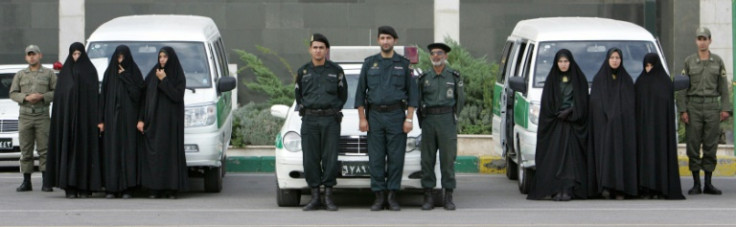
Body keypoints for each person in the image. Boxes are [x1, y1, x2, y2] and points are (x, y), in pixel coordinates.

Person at [355, 26, 418, 211]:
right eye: (382, 38)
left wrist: (409, 119)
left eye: (389, 38)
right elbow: (360, 93)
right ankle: (378, 196)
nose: (385, 41)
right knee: (375, 158)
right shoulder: (369, 64)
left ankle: (392, 195)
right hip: (374, 116)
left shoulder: (404, 64)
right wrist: (362, 118)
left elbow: (413, 94)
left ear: (395, 41)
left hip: (396, 116)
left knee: (396, 158)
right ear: (378, 40)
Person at [527, 49, 589, 201]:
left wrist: (571, 111)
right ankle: (555, 189)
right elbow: (548, 103)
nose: (563, 64)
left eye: (566, 61)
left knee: (570, 160)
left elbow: (583, 102)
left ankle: (568, 189)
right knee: (554, 157)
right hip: (555, 125)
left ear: (570, 62)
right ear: (556, 63)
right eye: (560, 62)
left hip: (573, 125)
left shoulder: (579, 78)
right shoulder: (552, 80)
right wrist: (557, 113)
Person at [676, 27, 732, 195]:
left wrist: (725, 108)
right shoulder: (689, 61)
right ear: (696, 41)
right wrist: (683, 110)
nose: (702, 41)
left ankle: (708, 182)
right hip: (693, 107)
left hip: (712, 107)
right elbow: (682, 88)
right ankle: (695, 184)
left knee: (710, 144)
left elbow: (723, 87)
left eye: (705, 38)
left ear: (710, 41)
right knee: (693, 144)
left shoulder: (717, 61)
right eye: (699, 38)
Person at [295, 34, 347, 211]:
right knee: (310, 158)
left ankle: (329, 197)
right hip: (309, 119)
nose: (318, 50)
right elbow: (298, 95)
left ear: (326, 50)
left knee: (330, 158)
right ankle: (315, 197)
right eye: (315, 47)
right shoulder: (302, 72)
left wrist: (332, 110)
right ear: (310, 49)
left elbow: (343, 95)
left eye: (321, 47)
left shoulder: (336, 70)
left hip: (330, 120)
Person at [46, 42, 103, 198]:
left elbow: (94, 98)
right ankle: (69, 187)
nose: (76, 57)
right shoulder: (65, 73)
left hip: (86, 122)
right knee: (69, 151)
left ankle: (86, 187)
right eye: (74, 54)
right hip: (68, 123)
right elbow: (61, 98)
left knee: (86, 152)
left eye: (79, 54)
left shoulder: (90, 71)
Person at [417, 42, 464, 210]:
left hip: (446, 120)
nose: (436, 56)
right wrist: (422, 121)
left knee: (447, 160)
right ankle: (428, 196)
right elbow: (418, 100)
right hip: (429, 120)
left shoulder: (453, 76)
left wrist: (453, 118)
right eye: (433, 53)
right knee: (427, 160)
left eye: (439, 53)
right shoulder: (424, 78)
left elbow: (460, 100)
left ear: (446, 56)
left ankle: (448, 196)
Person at [587, 48, 637, 200]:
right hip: (604, 127)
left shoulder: (627, 80)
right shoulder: (599, 79)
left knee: (622, 156)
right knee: (606, 156)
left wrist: (619, 116)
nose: (615, 60)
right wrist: (607, 117)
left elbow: (630, 103)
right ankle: (606, 186)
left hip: (622, 128)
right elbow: (595, 102)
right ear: (607, 59)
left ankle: (621, 188)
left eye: (618, 58)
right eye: (612, 57)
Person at [138, 46, 187, 199]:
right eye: (160, 57)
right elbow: (143, 97)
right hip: (154, 123)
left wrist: (164, 80)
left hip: (171, 123)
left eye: (165, 57)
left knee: (170, 154)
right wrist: (141, 119)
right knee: (155, 154)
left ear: (170, 58)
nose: (162, 60)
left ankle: (171, 189)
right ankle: (154, 188)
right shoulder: (153, 74)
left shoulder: (178, 75)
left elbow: (177, 96)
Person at [636, 53, 685, 200]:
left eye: (651, 66)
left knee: (660, 156)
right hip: (644, 130)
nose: (649, 69)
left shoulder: (665, 83)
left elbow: (667, 107)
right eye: (646, 66)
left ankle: (660, 188)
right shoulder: (640, 82)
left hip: (660, 131)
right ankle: (645, 188)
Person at [9, 45, 56, 192]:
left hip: (42, 114)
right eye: (29, 55)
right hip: (25, 115)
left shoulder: (49, 74)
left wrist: (42, 96)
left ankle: (46, 181)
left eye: (34, 54)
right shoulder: (20, 75)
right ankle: (26, 181)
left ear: (40, 56)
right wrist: (26, 97)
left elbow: (57, 92)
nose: (32, 57)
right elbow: (13, 93)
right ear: (26, 57)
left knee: (44, 149)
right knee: (26, 149)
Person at [101, 45, 145, 199]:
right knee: (112, 152)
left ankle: (128, 188)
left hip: (128, 121)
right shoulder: (109, 74)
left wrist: (126, 76)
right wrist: (101, 120)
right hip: (112, 120)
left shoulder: (134, 72)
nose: (120, 60)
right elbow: (103, 97)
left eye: (123, 57)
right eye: (118, 57)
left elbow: (138, 95)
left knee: (128, 152)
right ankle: (112, 188)